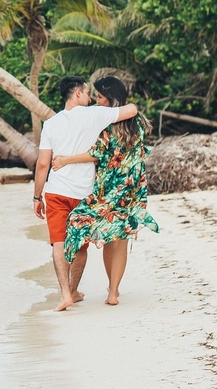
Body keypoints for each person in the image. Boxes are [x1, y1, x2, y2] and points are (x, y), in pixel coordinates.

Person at [32, 76, 140, 312]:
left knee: (59, 243)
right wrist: (117, 104)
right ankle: (73, 290)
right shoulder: (94, 115)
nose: (91, 98)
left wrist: (37, 197)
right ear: (78, 93)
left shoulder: (50, 124)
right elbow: (132, 110)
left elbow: (42, 164)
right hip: (84, 194)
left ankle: (65, 295)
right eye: (88, 93)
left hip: (56, 192)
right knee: (80, 245)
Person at [51, 75, 158, 306]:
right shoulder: (136, 122)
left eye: (100, 97)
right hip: (132, 187)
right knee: (119, 238)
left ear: (110, 98)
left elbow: (97, 153)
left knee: (84, 224)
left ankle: (77, 290)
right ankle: (113, 291)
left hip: (108, 187)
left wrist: (66, 160)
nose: (97, 101)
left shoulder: (105, 124)